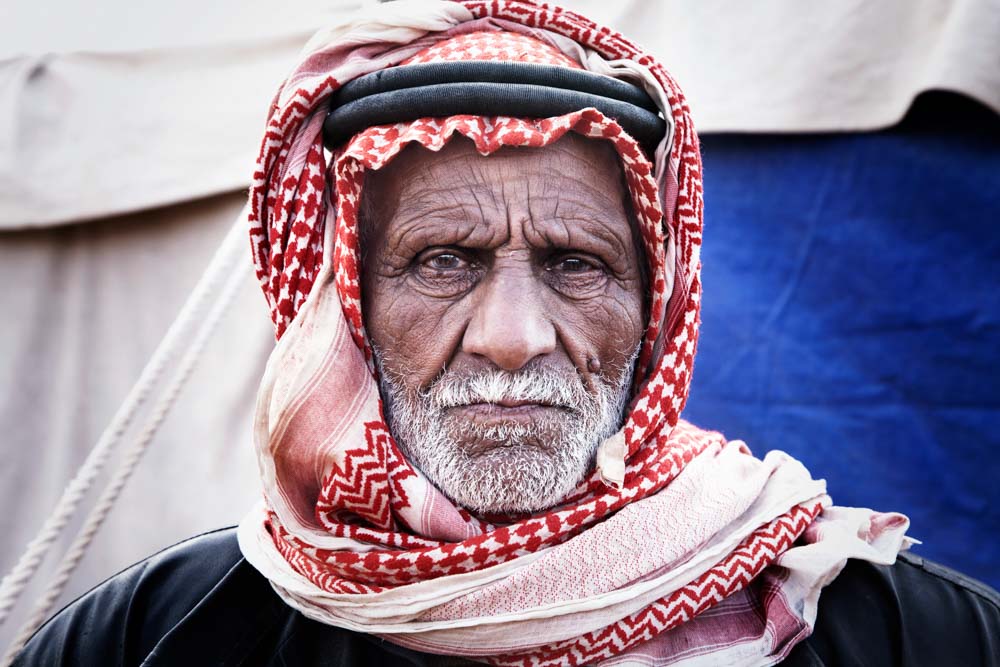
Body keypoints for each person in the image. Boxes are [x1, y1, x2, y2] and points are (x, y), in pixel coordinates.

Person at [11, 1, 1000, 665]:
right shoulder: (162, 636)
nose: (514, 336)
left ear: (656, 310)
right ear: (346, 309)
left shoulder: (905, 634)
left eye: (576, 263)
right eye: (443, 261)